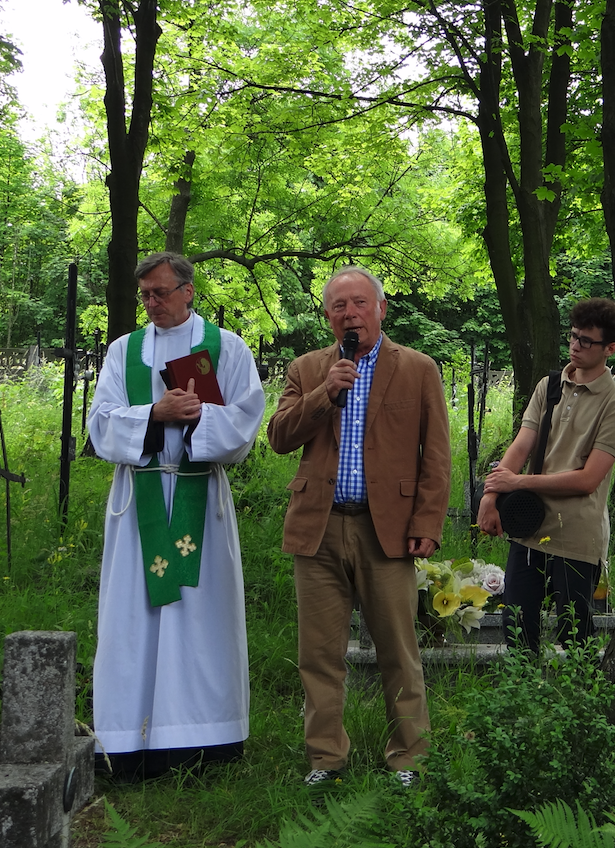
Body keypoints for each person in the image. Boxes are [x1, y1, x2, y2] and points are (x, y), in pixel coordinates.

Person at [266, 266, 450, 787]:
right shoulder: (307, 369)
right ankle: (326, 759)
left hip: (386, 531)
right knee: (319, 654)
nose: (350, 314)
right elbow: (279, 437)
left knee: (398, 649)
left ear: (380, 309)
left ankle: (408, 758)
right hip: (318, 528)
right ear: (328, 316)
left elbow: (436, 456)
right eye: (339, 306)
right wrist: (325, 393)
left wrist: (428, 522)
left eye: (359, 303)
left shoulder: (417, 368)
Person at [87, 252, 265, 781]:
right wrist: (154, 414)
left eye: (161, 293)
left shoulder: (225, 348)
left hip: (196, 497)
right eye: (145, 294)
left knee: (199, 617)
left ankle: (203, 738)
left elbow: (246, 418)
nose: (151, 303)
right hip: (140, 495)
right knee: (133, 617)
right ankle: (126, 738)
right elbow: (100, 421)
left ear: (189, 291)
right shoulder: (125, 351)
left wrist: (199, 416)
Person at [478, 298, 615, 654]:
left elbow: (587, 479)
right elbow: (519, 449)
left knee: (574, 635)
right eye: (573, 336)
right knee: (516, 626)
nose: (575, 346)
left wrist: (516, 482)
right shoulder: (549, 386)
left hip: (578, 535)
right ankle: (521, 702)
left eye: (586, 341)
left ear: (610, 348)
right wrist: (490, 497)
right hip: (529, 525)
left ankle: (577, 707)